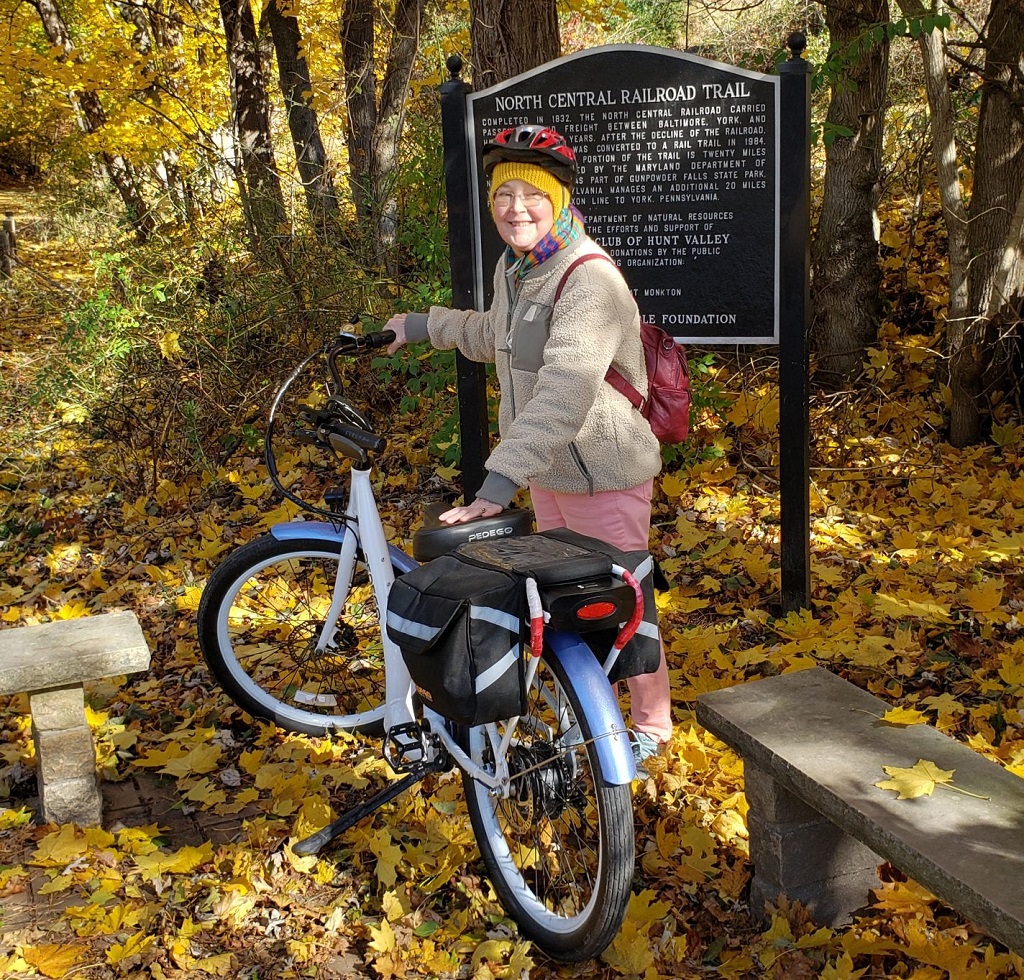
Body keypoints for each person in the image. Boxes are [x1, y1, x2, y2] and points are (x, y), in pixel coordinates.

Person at [385, 124, 671, 761]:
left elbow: (566, 391)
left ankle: (649, 729)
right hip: (547, 471)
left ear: (561, 198)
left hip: (604, 471)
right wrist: (421, 325)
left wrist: (496, 485)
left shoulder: (588, 278)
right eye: (503, 194)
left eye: (531, 193)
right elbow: (497, 335)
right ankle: (586, 715)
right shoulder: (517, 270)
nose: (516, 207)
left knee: (625, 603)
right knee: (569, 605)